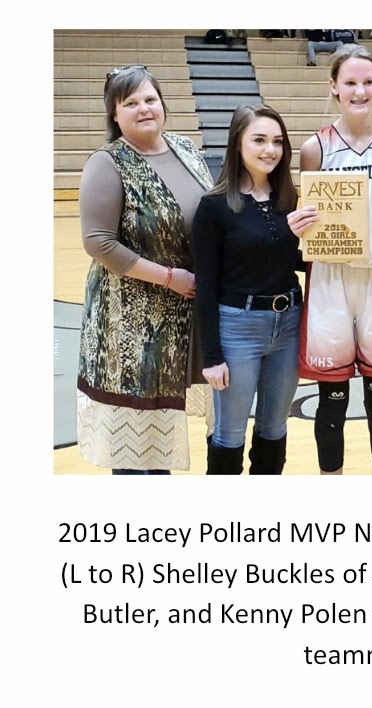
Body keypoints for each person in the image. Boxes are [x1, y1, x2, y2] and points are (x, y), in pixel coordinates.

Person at [77, 65, 213, 474]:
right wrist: (170, 278)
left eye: (150, 99)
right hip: (130, 323)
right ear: (114, 114)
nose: (144, 109)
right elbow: (98, 242)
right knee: (137, 445)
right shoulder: (108, 162)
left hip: (184, 317)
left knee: (162, 432)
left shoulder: (185, 148)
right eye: (130, 103)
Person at [287, 44, 372, 475]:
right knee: (332, 399)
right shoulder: (314, 148)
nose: (360, 91)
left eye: (368, 82)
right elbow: (308, 217)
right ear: (334, 87)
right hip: (329, 279)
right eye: (350, 82)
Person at [191, 105, 301, 475]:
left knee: (275, 428)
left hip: (288, 325)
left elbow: (284, 257)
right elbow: (205, 286)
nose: (270, 150)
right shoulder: (214, 207)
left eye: (277, 142)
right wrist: (211, 356)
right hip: (238, 327)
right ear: (237, 144)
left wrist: (336, 249)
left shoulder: (288, 198)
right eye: (259, 140)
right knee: (230, 434)